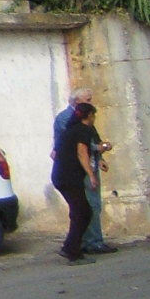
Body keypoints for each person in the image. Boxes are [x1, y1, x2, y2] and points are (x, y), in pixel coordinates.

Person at [55, 88, 117, 254]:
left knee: (88, 208)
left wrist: (99, 158)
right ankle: (88, 243)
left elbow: (89, 141)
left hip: (84, 167)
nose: (91, 103)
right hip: (76, 171)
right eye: (88, 100)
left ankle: (80, 244)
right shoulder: (71, 119)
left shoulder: (85, 118)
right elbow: (81, 147)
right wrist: (99, 150)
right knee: (85, 208)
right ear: (77, 103)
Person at [54, 100, 100, 264]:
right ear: (89, 116)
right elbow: (82, 153)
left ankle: (70, 247)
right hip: (69, 177)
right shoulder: (83, 130)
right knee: (83, 213)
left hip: (62, 176)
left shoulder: (69, 130)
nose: (94, 118)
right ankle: (72, 252)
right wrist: (91, 175)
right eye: (94, 115)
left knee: (80, 212)